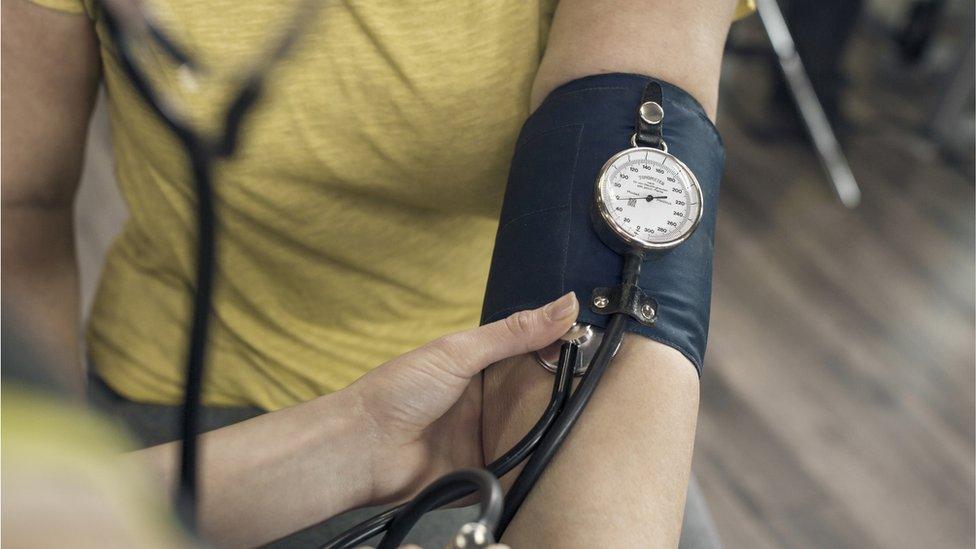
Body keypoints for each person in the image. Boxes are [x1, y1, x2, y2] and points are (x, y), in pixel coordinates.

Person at [3, 0, 752, 546]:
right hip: (199, 385)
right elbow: (20, 204)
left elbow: (636, 163)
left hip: (515, 376)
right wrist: (64, 464)